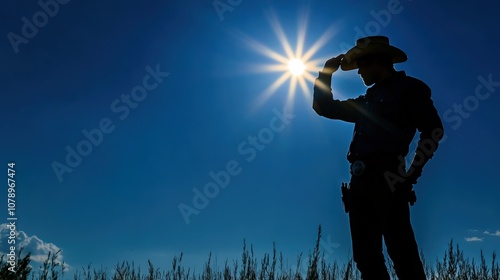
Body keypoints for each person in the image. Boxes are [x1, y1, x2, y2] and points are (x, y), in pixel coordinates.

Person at [312, 36, 444, 279]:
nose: (359, 71)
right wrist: (326, 73)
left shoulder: (410, 89)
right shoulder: (366, 101)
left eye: (361, 65)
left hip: (389, 179)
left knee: (402, 256)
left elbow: (433, 131)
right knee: (366, 258)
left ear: (376, 61)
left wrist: (411, 174)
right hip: (359, 184)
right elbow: (324, 108)